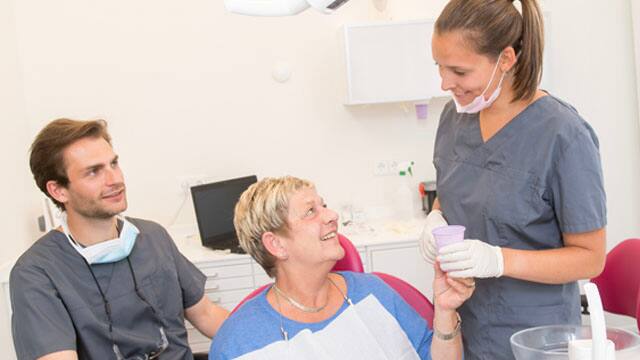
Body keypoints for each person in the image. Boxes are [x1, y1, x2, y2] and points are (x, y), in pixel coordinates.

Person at [419, 0, 607, 359]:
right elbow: (457, 189)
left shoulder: (563, 135)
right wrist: (436, 217)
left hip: (537, 338)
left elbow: (590, 257)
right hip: (466, 327)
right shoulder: (453, 118)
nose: (445, 83)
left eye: (459, 71)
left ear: (506, 59)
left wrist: (499, 260)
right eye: (439, 67)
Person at [11, 119, 229, 359]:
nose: (114, 180)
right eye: (93, 172)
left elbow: (207, 314)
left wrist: (266, 336)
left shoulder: (153, 237)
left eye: (113, 164)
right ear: (58, 190)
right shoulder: (36, 273)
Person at [209, 176, 474, 360]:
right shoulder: (238, 342)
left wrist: (445, 310)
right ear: (276, 244)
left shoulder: (374, 292)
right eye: (311, 211)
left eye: (323, 205)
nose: (332, 215)